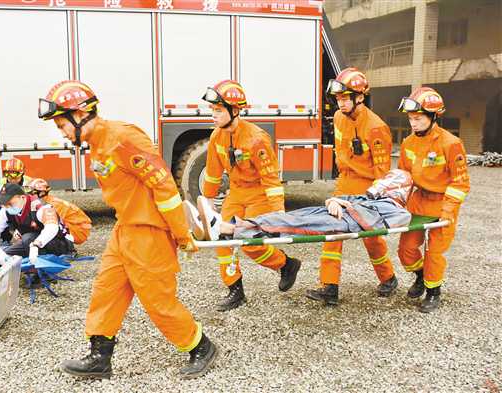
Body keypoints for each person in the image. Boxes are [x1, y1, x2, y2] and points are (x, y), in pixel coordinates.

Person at [39, 80, 217, 379]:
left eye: (61, 124)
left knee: (157, 301)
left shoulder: (123, 138)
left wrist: (181, 233)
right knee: (106, 290)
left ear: (80, 113)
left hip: (149, 232)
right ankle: (100, 356)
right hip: (126, 229)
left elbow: (163, 187)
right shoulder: (97, 145)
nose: (62, 132)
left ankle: (200, 346)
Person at [199, 79, 301, 312]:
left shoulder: (257, 139)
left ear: (234, 111)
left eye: (217, 110)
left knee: (249, 243)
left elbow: (271, 179)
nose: (213, 115)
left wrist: (278, 215)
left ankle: (286, 264)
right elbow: (213, 174)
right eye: (212, 110)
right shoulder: (217, 137)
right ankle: (235, 289)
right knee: (221, 238)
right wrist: (206, 204)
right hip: (236, 193)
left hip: (259, 195)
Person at [305, 68, 396, 306]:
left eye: (346, 98)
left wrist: (376, 201)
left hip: (367, 186)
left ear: (360, 97)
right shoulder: (338, 117)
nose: (341, 103)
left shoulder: (376, 128)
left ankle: (388, 278)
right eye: (338, 98)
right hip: (345, 182)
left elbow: (382, 172)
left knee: (372, 238)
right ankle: (329, 287)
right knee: (332, 232)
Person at [187, 169, 412, 243]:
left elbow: (374, 224)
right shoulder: (376, 200)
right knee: (288, 218)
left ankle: (224, 229)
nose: (382, 183)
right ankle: (222, 227)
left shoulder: (399, 211)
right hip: (336, 213)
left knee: (286, 223)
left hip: (343, 222)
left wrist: (345, 206)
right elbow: (353, 200)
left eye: (389, 181)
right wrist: (335, 200)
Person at [396, 87, 470, 313]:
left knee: (434, 253)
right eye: (410, 119)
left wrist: (448, 211)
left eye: (418, 118)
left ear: (433, 116)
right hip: (419, 202)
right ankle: (420, 276)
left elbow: (460, 182)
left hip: (442, 204)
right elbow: (403, 177)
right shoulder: (408, 143)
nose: (413, 123)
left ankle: (433, 291)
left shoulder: (450, 143)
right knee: (406, 249)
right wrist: (395, 203)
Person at [0, 183, 74, 265]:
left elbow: (52, 228)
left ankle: (41, 271)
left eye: (9, 202)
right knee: (6, 255)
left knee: (27, 238)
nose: (6, 206)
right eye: (3, 203)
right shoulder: (7, 210)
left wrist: (36, 244)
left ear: (22, 197)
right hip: (31, 241)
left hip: (60, 242)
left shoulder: (40, 206)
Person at [28, 178, 92, 247]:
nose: (31, 196)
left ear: (41, 193)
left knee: (50, 230)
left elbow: (53, 226)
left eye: (33, 193)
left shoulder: (53, 205)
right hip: (78, 229)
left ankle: (68, 248)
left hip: (78, 232)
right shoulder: (49, 201)